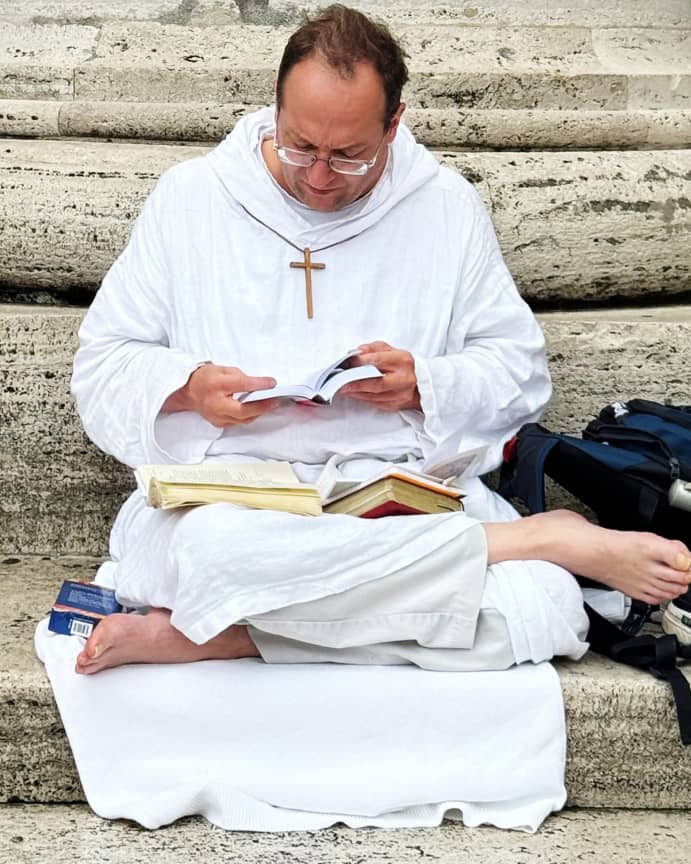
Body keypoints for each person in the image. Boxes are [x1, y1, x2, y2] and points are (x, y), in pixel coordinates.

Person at [71, 5, 691, 677]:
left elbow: (517, 371)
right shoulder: (190, 198)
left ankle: (228, 635)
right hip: (228, 503)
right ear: (273, 109)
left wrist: (425, 383)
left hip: (394, 497)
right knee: (221, 560)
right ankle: (524, 541)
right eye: (299, 146)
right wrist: (187, 389)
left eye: (349, 155)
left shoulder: (443, 207)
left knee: (540, 608)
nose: (317, 176)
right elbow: (103, 366)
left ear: (393, 124)